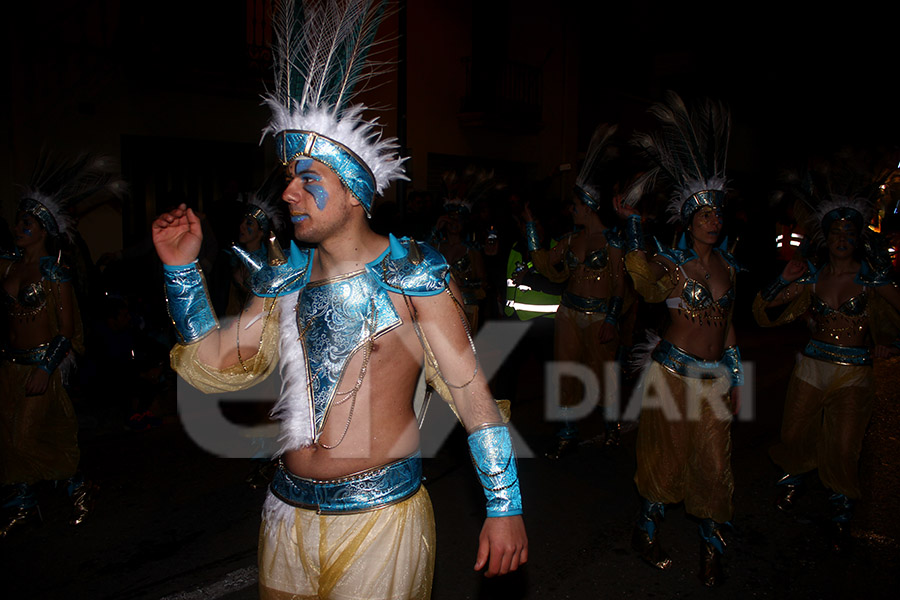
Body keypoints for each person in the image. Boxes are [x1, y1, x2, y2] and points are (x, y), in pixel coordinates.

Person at [151, 2, 527, 598]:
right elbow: (214, 365)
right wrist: (182, 272)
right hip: (286, 518)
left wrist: (504, 506)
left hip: (379, 525)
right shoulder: (285, 283)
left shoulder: (414, 277)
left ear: (354, 193)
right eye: (288, 179)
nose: (289, 192)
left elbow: (470, 394)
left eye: (308, 180)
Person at [614, 91, 742, 586]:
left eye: (718, 215)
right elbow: (643, 283)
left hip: (713, 378)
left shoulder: (730, 268)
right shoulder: (671, 264)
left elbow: (730, 326)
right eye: (705, 215)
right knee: (664, 458)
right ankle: (645, 533)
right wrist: (629, 229)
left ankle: (713, 548)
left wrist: (737, 374)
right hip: (671, 371)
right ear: (689, 222)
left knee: (714, 462)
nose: (714, 220)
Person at [753, 166, 900, 552]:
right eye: (835, 232)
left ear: (859, 238)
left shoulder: (872, 280)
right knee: (795, 432)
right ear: (826, 237)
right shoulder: (812, 276)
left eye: (850, 233)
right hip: (812, 364)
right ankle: (791, 482)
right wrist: (784, 279)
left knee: (843, 444)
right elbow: (765, 305)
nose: (842, 239)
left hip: (854, 372)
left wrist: (888, 341)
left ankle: (840, 512)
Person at [0, 153, 120, 536]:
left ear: (44, 230)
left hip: (40, 366)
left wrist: (45, 368)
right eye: (19, 220)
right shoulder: (7, 266)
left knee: (26, 435)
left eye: (28, 223)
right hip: (9, 365)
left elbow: (65, 330)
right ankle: (22, 502)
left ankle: (77, 482)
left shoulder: (54, 273)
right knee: (8, 434)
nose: (19, 228)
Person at [522, 124, 628, 458]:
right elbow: (547, 267)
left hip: (600, 317)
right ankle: (567, 432)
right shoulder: (569, 239)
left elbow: (619, 285)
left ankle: (611, 427)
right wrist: (530, 228)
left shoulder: (612, 242)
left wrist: (612, 319)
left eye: (575, 205)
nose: (572, 210)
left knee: (603, 374)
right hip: (568, 313)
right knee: (565, 372)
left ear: (589, 205)